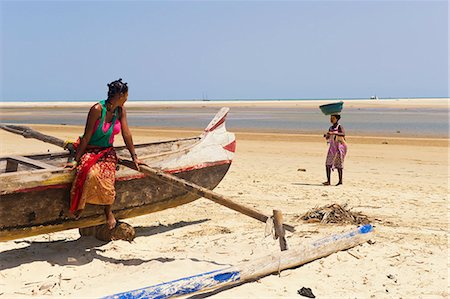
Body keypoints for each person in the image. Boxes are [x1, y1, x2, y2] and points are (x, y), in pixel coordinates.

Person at [65, 79, 143, 229]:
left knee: (107, 176)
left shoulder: (120, 111)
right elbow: (86, 136)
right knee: (88, 172)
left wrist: (134, 157)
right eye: (126, 96)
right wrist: (76, 160)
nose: (127, 99)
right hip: (90, 149)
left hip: (107, 151)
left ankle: (108, 211)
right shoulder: (96, 109)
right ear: (120, 95)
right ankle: (79, 205)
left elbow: (126, 134)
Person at [323, 114, 347, 186]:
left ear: (337, 119)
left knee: (339, 164)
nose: (331, 119)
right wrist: (327, 136)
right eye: (331, 118)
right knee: (328, 164)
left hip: (340, 147)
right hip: (332, 147)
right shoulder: (330, 127)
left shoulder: (339, 126)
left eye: (333, 118)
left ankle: (340, 181)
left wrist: (333, 133)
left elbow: (343, 134)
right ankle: (328, 181)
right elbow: (329, 137)